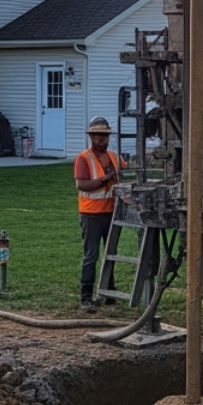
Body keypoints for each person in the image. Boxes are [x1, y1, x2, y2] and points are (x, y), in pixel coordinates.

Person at [74, 116, 124, 311]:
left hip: (111, 212)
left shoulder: (114, 157)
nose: (101, 139)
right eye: (98, 136)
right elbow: (82, 185)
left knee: (110, 254)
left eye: (104, 136)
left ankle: (109, 292)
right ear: (91, 137)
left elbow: (124, 175)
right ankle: (86, 297)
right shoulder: (83, 158)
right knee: (91, 256)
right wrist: (105, 179)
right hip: (91, 214)